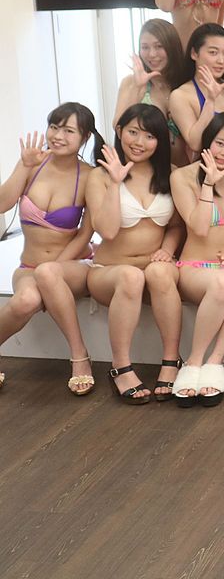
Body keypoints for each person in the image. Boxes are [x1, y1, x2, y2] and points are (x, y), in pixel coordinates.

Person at [73, 105, 181, 403]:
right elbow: (107, 231)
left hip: (153, 266)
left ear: (160, 141)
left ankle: (172, 361)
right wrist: (115, 183)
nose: (139, 142)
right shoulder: (100, 176)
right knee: (131, 277)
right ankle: (120, 367)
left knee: (159, 273)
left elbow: (175, 227)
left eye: (149, 136)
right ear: (119, 131)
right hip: (110, 271)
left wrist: (167, 250)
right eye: (133, 132)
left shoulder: (170, 174)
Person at [0, 103, 101, 395]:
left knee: (47, 275)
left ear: (84, 137)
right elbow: (3, 204)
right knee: (25, 301)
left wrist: (53, 269)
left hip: (73, 266)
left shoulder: (90, 176)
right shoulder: (33, 164)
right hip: (29, 267)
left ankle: (80, 356)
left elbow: (86, 233)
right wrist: (24, 165)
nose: (58, 136)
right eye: (54, 127)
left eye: (68, 130)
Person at [170, 113, 224, 407]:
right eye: (220, 143)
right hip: (195, 268)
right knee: (222, 284)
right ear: (208, 141)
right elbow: (198, 227)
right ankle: (194, 362)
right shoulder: (182, 177)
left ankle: (215, 362)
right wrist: (207, 184)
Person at [112, 19, 189, 165]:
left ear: (172, 47)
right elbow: (118, 126)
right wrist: (137, 87)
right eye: (145, 47)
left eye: (159, 46)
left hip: (181, 169)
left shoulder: (186, 83)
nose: (152, 54)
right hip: (146, 170)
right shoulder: (130, 82)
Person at [168, 23, 224, 159]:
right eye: (213, 52)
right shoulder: (180, 96)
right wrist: (210, 101)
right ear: (194, 53)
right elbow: (195, 143)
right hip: (208, 168)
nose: (221, 60)